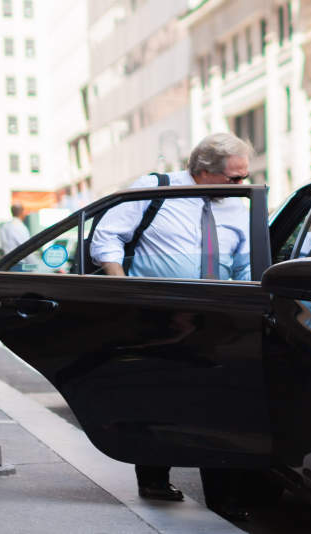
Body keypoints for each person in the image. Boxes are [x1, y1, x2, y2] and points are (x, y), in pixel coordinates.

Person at [90, 132, 254, 522]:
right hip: (158, 314)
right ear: (202, 172)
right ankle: (154, 479)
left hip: (220, 318)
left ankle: (224, 497)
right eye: (234, 179)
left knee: (220, 406)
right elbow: (107, 237)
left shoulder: (240, 204)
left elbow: (247, 261)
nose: (242, 185)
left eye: (245, 176)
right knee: (159, 399)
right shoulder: (154, 189)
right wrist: (124, 294)